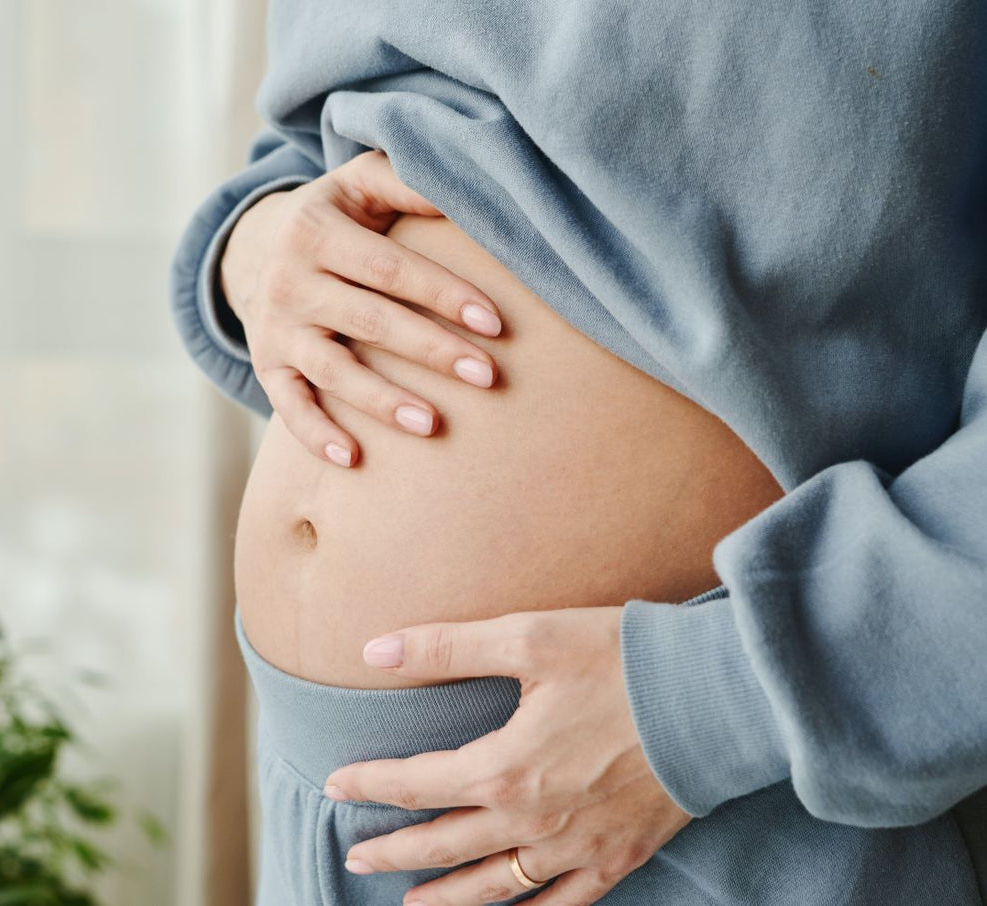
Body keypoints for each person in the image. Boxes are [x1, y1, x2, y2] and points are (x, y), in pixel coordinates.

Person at [170, 2, 987, 903]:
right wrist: (252, 250)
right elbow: (340, 130)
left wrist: (709, 703)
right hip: (321, 798)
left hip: (712, 790)